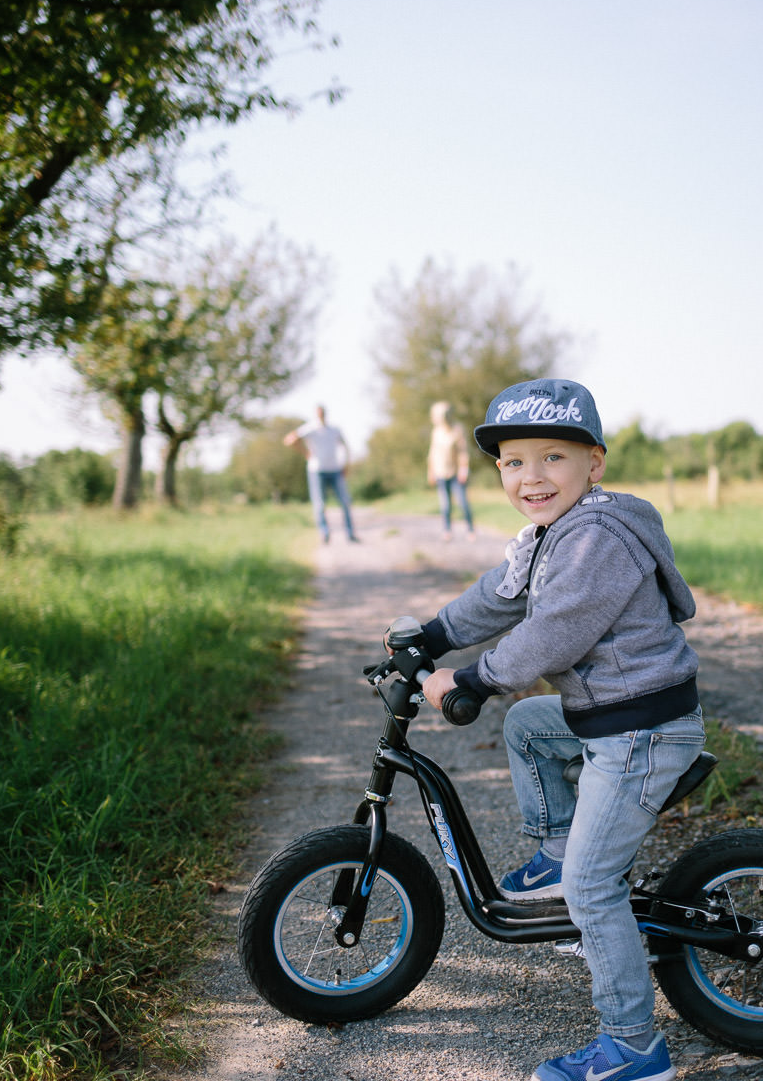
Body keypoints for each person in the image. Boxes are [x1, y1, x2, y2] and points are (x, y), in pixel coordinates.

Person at [414, 378, 701, 1081]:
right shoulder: (551, 534)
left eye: (553, 458)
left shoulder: (597, 536)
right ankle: (555, 855)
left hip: (642, 729)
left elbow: (554, 633)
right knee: (531, 728)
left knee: (592, 887)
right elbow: (498, 597)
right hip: (611, 714)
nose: (532, 477)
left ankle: (635, 1050)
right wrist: (430, 636)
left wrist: (473, 680)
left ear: (593, 464)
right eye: (514, 462)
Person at [282, 405, 358, 543]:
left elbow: (345, 447)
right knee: (319, 504)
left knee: (345, 502)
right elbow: (289, 440)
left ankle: (350, 533)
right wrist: (305, 453)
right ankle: (325, 534)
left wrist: (346, 465)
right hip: (317, 471)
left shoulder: (334, 430)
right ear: (316, 415)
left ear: (325, 414)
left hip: (335, 469)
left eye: (322, 413)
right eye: (319, 413)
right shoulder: (310, 428)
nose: (321, 415)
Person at [426, 400, 476, 541]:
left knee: (463, 503)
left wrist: (464, 469)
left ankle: (470, 529)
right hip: (440, 473)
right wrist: (430, 471)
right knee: (445, 505)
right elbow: (432, 453)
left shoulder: (457, 429)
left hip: (456, 474)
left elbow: (463, 451)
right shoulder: (436, 432)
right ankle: (447, 530)